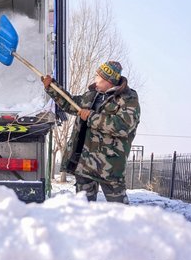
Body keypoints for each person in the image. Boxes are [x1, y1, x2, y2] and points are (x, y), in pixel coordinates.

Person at [41, 61, 140, 203]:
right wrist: (52, 87)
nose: (95, 80)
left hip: (109, 167)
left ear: (109, 81)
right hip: (85, 164)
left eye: (98, 77)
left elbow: (123, 126)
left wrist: (91, 117)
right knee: (83, 210)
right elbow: (71, 103)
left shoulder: (128, 99)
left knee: (120, 211)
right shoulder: (92, 95)